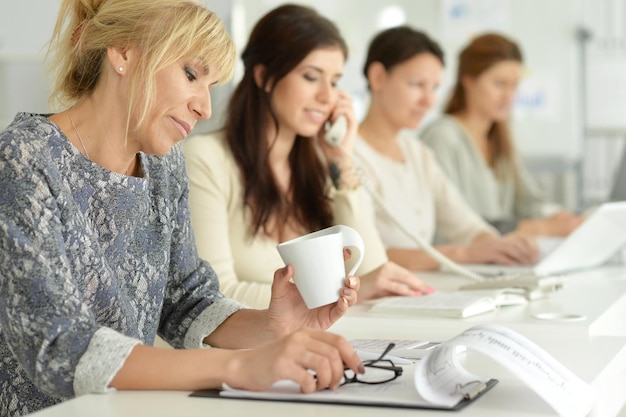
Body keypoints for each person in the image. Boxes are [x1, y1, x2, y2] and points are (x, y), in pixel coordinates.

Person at [0, 1, 364, 415]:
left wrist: (270, 325)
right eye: (191, 74)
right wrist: (239, 365)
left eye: (210, 86)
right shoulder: (24, 158)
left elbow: (186, 300)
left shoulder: (163, 164)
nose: (204, 108)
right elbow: (57, 344)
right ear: (122, 52)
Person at [183, 4, 433, 309]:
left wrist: (342, 160)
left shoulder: (317, 166)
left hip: (312, 340)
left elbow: (371, 271)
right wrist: (336, 294)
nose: (327, 97)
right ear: (263, 76)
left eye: (335, 81)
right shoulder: (206, 159)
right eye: (312, 77)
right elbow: (213, 295)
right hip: (242, 351)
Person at [354, 26, 538, 271]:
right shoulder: (347, 155)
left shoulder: (418, 153)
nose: (429, 101)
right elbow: (363, 255)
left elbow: (465, 224)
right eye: (417, 84)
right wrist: (464, 253)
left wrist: (497, 245)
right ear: (378, 77)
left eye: (434, 88)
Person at [421, 33, 584, 236]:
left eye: (515, 85)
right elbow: (449, 223)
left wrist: (562, 218)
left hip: (497, 259)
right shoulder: (442, 137)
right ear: (469, 80)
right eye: (499, 84)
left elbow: (528, 203)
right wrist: (536, 228)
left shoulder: (499, 138)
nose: (509, 96)